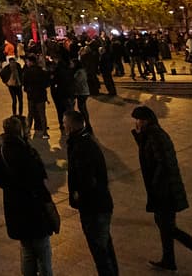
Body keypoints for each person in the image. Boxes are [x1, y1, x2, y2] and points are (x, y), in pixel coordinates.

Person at [131, 105, 192, 274]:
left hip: (165, 191)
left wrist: (156, 185)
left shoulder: (155, 136)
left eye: (139, 120)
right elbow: (150, 156)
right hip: (163, 189)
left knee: (169, 228)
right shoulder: (151, 135)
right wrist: (139, 137)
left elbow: (162, 163)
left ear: (147, 120)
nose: (137, 123)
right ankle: (169, 260)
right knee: (165, 226)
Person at [0, 115, 56, 275]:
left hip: (14, 206)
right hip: (33, 207)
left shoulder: (1, 151)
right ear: (20, 130)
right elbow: (38, 180)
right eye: (26, 127)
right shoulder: (26, 153)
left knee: (27, 249)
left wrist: (11, 187)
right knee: (43, 251)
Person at [63, 109, 117, 276]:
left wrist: (79, 195)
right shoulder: (83, 141)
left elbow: (87, 179)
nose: (63, 126)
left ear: (71, 126)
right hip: (99, 204)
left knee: (100, 250)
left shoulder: (81, 146)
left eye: (64, 123)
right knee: (104, 247)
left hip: (94, 207)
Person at [22, 54, 51, 138]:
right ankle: (45, 132)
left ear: (31, 62)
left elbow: (24, 84)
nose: (27, 63)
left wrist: (27, 90)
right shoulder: (42, 71)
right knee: (42, 114)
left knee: (30, 114)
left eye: (27, 62)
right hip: (41, 95)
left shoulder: (27, 72)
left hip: (31, 95)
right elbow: (47, 83)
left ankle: (27, 131)